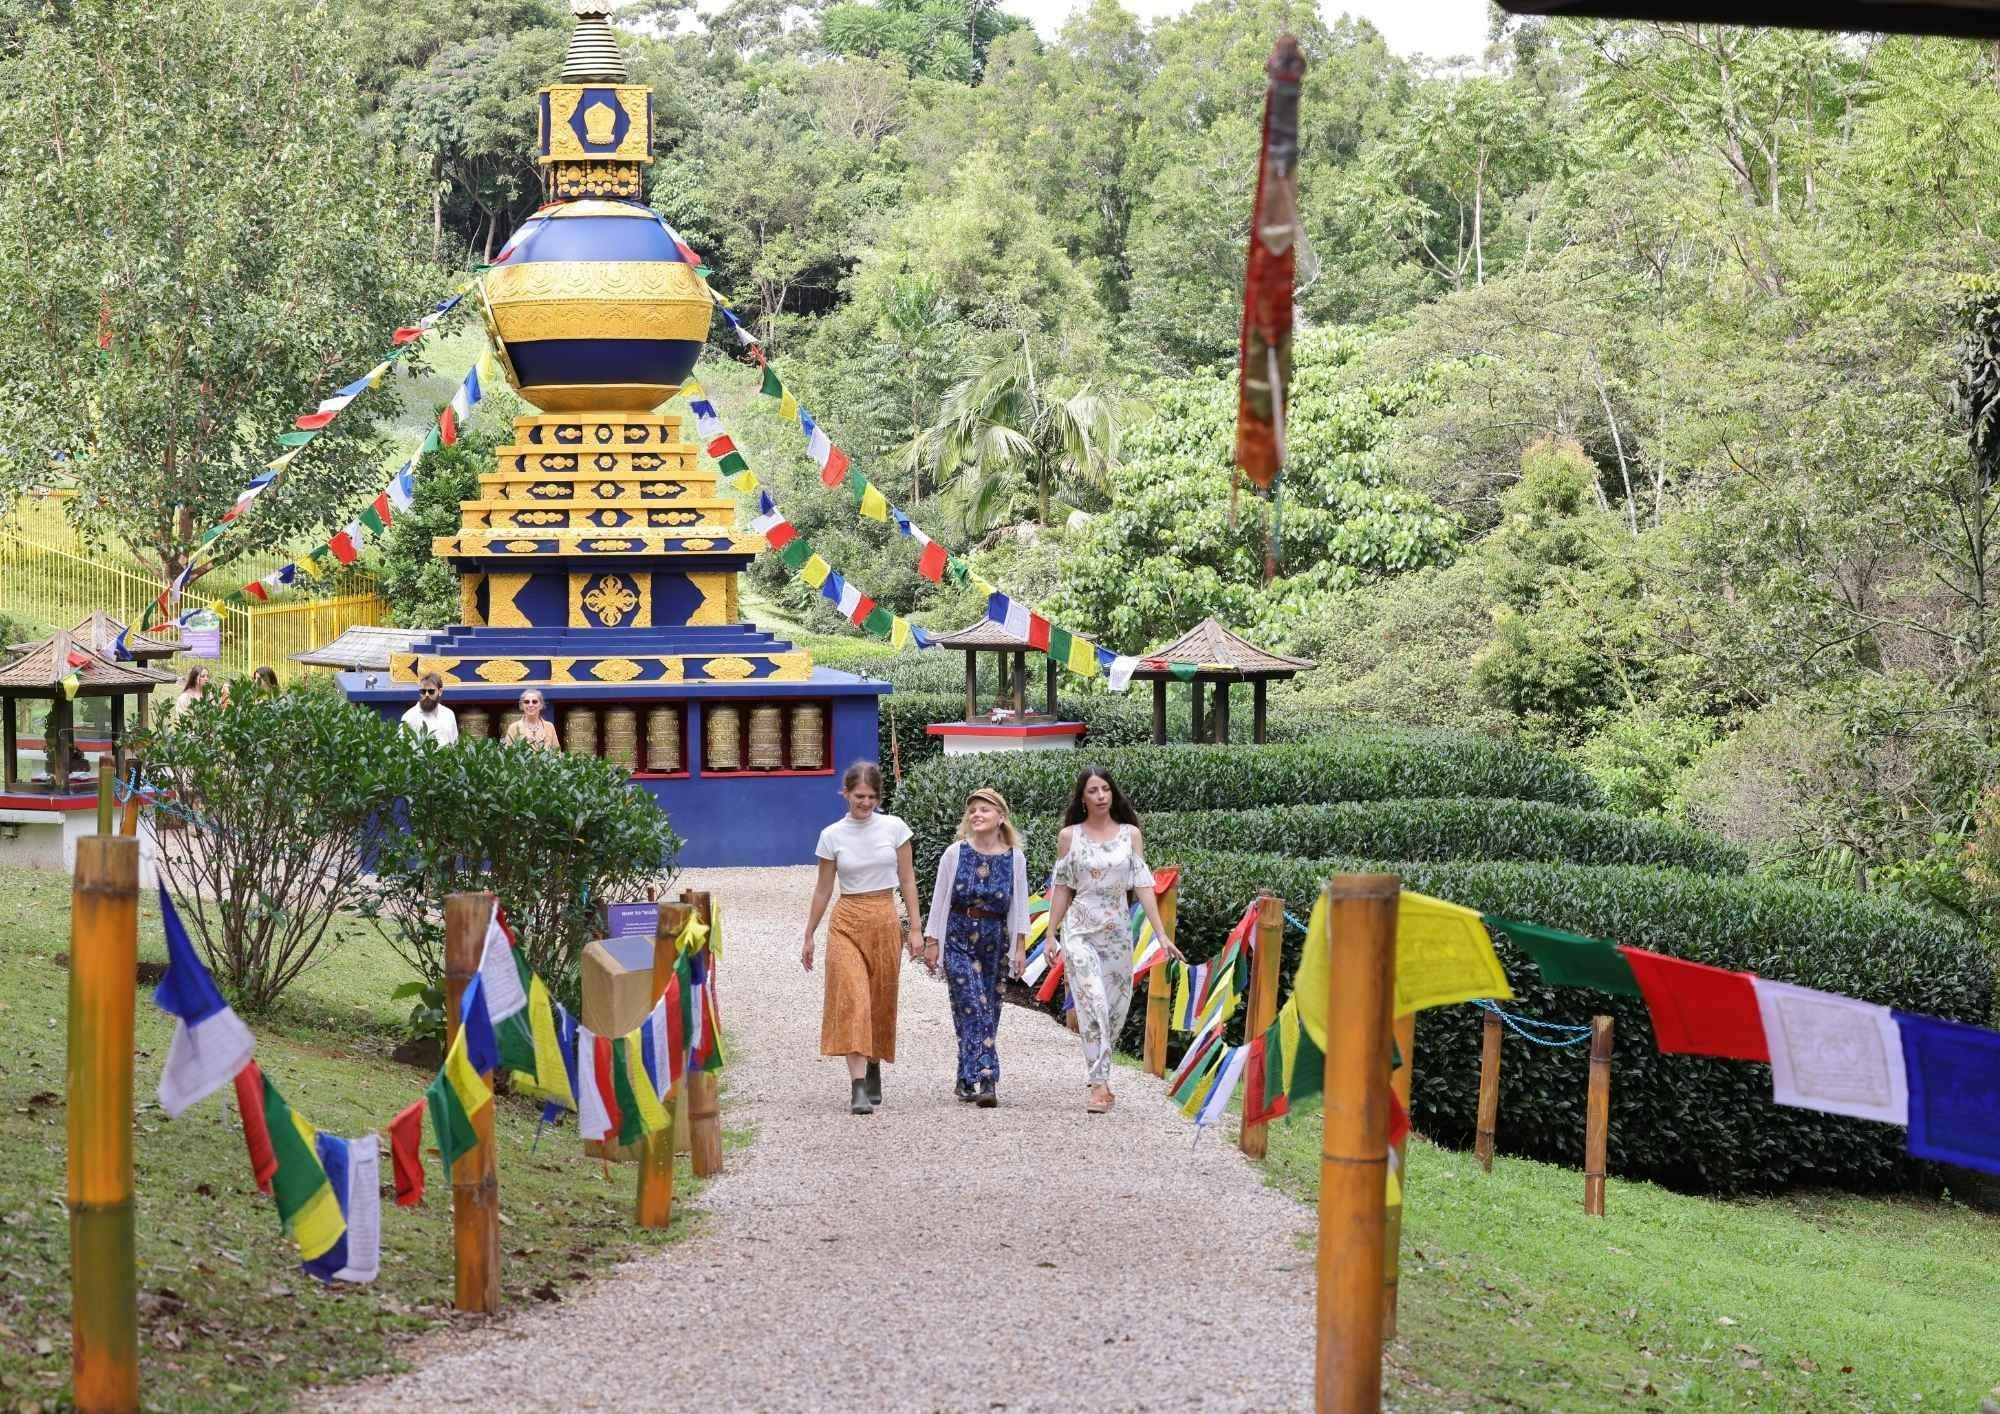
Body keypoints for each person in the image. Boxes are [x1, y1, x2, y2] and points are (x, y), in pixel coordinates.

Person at [1046, 766, 1182, 1114]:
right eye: (1093, 790)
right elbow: (1062, 887)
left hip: (1119, 932)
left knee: (1116, 1010)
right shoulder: (1069, 837)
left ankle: (1101, 1074)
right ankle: (1098, 1085)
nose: (1101, 796)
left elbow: (1143, 885)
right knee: (1093, 1002)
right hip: (1079, 929)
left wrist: (1161, 934)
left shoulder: (1130, 834)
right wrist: (1050, 933)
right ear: (1083, 798)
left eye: (1105, 789)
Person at [803, 761, 925, 1115]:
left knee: (878, 999)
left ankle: (873, 1064)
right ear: (845, 793)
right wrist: (809, 934)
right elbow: (823, 890)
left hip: (884, 918)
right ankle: (857, 1086)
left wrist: (915, 929)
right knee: (852, 997)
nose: (865, 803)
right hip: (847, 920)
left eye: (871, 796)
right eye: (859, 796)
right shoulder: (832, 835)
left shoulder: (895, 828)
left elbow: (907, 880)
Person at [922, 787, 1029, 1108]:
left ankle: (966, 1077)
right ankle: (987, 1077)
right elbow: (940, 900)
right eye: (973, 811)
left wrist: (1020, 948)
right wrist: (932, 941)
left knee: (988, 1009)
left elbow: (1019, 904)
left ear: (1001, 817)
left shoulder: (1014, 858)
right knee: (972, 1004)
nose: (977, 815)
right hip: (957, 937)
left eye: (984, 810)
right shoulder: (955, 853)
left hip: (994, 940)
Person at [399, 671, 459, 744]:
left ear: (440, 692)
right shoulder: (409, 716)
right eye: (423, 691)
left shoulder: (449, 714)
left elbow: (455, 743)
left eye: (431, 691)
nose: (427, 695)